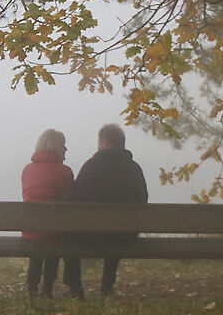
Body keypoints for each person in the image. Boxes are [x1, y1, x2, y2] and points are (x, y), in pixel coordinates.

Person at [71, 123, 147, 296]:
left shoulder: (90, 166)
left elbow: (75, 200)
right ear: (122, 143)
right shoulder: (134, 169)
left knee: (67, 233)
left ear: (104, 142)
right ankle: (106, 285)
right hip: (124, 237)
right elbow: (143, 199)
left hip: (91, 236)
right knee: (119, 228)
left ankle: (75, 286)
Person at [20, 128, 79, 297]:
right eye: (63, 145)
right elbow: (69, 200)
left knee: (39, 235)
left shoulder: (27, 170)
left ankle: (32, 286)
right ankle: (47, 287)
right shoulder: (64, 171)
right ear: (56, 148)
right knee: (55, 235)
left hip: (31, 232)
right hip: (55, 233)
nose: (65, 149)